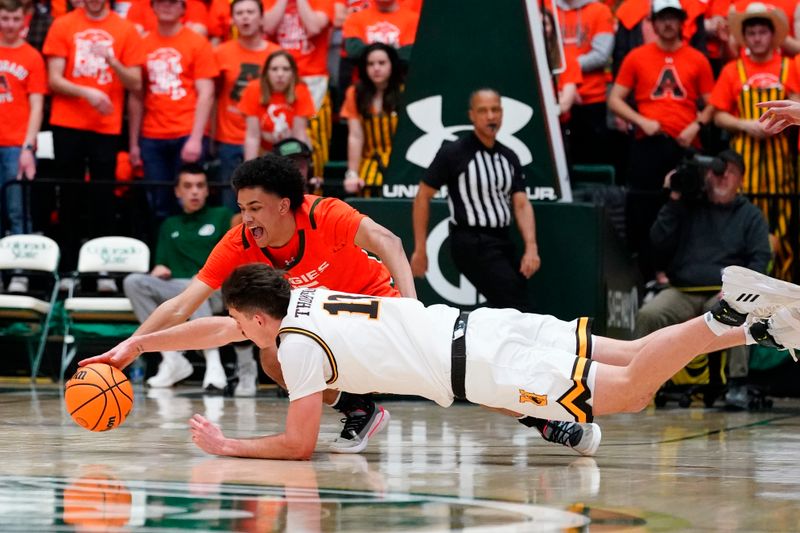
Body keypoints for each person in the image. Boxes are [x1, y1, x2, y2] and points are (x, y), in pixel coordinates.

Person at [80, 262, 800, 460]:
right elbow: (214, 331)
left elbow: (301, 444)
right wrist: (142, 342)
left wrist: (228, 443)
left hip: (480, 369)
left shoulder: (297, 352)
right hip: (483, 323)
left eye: (241, 325)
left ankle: (722, 315)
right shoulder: (305, 301)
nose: (235, 330)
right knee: (638, 352)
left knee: (635, 392)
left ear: (259, 318)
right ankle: (756, 324)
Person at [83, 153, 421, 454]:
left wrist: (410, 310)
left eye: (255, 209)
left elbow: (388, 241)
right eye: (242, 208)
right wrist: (129, 346)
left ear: (284, 205)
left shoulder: (324, 214)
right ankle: (357, 409)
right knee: (271, 352)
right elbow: (181, 305)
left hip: (371, 305)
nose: (246, 218)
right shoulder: (240, 242)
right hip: (317, 315)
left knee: (440, 372)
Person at [608, 0, 715, 281]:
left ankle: (680, 271)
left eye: (673, 18)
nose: (668, 24)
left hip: (683, 145)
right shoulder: (636, 56)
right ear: (653, 23)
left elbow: (712, 103)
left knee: (685, 206)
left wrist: (696, 125)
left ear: (682, 22)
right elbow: (615, 99)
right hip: (647, 142)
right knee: (644, 209)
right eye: (662, 18)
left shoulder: (698, 58)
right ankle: (647, 273)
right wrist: (640, 120)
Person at [411, 88, 541, 313]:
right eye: (483, 111)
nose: (491, 116)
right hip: (472, 241)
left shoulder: (509, 156)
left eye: (495, 110)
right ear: (472, 115)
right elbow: (423, 196)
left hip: (502, 241)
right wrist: (420, 249)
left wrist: (531, 247)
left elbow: (521, 203)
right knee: (518, 306)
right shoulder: (454, 153)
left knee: (507, 307)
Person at [42, 0, 143, 269]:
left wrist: (112, 62)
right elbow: (54, 79)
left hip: (106, 126)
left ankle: (102, 269)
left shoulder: (125, 29)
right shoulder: (64, 24)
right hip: (66, 123)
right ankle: (66, 266)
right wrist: (88, 93)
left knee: (104, 198)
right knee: (68, 196)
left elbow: (135, 82)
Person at [122, 164, 235, 391]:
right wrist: (159, 271)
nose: (194, 191)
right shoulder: (169, 224)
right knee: (133, 282)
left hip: (212, 288)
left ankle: (214, 363)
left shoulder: (221, 216)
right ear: (178, 192)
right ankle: (171, 359)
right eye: (188, 186)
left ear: (206, 191)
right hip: (177, 288)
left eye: (200, 186)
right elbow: (161, 264)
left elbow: (233, 256)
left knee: (197, 286)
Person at [635, 149, 771, 337]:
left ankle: (734, 369)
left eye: (731, 172)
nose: (723, 176)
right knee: (648, 315)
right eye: (717, 171)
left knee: (734, 318)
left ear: (741, 180)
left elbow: (760, 259)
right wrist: (674, 198)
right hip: (683, 290)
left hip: (725, 293)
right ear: (707, 174)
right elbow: (658, 240)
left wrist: (740, 291)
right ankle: (642, 367)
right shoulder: (688, 205)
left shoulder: (751, 215)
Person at [710, 2, 799, 282]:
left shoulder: (790, 66)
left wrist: (785, 116)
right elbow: (718, 116)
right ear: (744, 37)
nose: (758, 37)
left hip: (781, 167)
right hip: (744, 166)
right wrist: (746, 125)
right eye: (752, 33)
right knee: (743, 232)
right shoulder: (731, 70)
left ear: (772, 36)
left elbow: (797, 105)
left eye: (763, 31)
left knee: (783, 237)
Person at [128, 0, 218, 222]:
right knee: (158, 203)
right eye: (160, 2)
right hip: (151, 135)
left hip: (187, 132)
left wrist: (196, 139)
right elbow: (136, 96)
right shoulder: (142, 43)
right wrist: (133, 143)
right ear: (152, 7)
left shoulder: (197, 42)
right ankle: (163, 255)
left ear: (183, 8)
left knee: (190, 201)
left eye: (172, 2)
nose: (166, 6)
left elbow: (206, 92)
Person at [212, 0, 280, 212]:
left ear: (261, 18)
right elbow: (213, 96)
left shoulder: (275, 55)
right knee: (231, 203)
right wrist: (211, 136)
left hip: (266, 141)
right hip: (230, 138)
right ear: (232, 19)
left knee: (266, 203)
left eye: (251, 12)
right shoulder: (220, 52)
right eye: (239, 13)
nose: (245, 17)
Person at [262, 0, 335, 178]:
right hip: (277, 79)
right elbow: (267, 27)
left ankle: (313, 185)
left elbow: (314, 28)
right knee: (278, 136)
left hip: (313, 80)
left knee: (314, 140)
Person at [0, 0, 47, 238]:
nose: (10, 25)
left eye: (15, 19)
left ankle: (21, 270)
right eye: (5, 18)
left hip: (16, 145)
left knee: (18, 210)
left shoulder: (32, 57)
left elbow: (37, 106)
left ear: (24, 19)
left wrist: (28, 147)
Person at [340, 42, 402, 195]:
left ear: (392, 65)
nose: (376, 68)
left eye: (382, 63)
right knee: (366, 185)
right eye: (370, 64)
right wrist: (352, 174)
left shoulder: (405, 91)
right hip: (370, 160)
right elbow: (355, 136)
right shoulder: (354, 93)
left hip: (400, 161)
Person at [239, 50, 314, 160]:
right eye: (274, 69)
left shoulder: (301, 90)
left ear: (293, 72)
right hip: (262, 149)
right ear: (266, 72)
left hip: (290, 147)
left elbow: (299, 135)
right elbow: (252, 137)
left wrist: (299, 169)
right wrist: (249, 171)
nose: (280, 74)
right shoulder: (253, 89)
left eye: (286, 69)